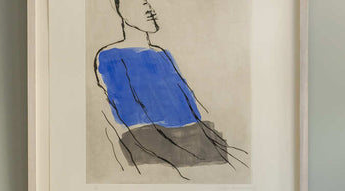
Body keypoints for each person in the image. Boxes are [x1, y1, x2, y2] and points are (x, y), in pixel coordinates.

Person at [94, 0, 243, 177]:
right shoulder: (110, 57)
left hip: (196, 142)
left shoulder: (162, 55)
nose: (150, 9)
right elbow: (128, 119)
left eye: (150, 2)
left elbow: (191, 110)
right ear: (122, 8)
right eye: (143, 2)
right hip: (156, 149)